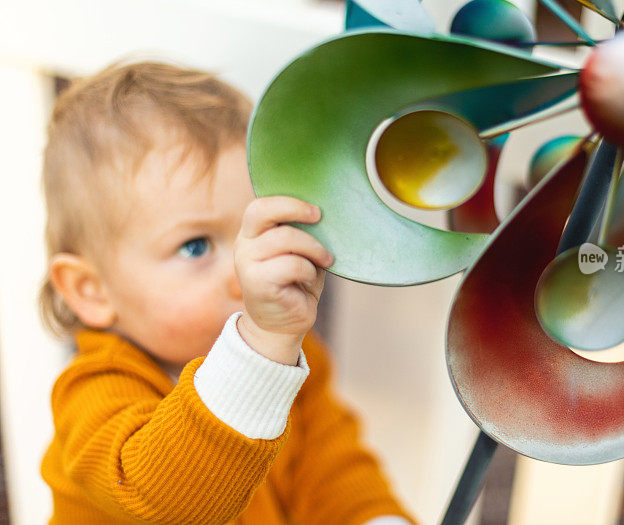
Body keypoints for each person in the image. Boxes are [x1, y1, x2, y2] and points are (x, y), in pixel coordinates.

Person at [37, 61, 416, 525]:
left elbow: (335, 476)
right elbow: (168, 503)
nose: (245, 272)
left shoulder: (293, 367)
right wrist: (260, 346)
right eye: (195, 246)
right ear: (91, 290)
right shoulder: (94, 395)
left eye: (254, 232)